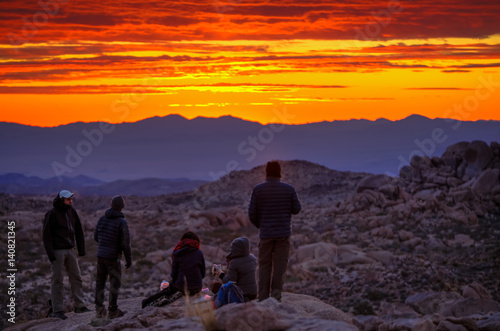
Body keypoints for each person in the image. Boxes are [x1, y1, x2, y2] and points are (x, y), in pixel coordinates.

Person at [248, 161, 301, 301]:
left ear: (266, 172)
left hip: (266, 235)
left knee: (264, 266)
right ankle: (276, 298)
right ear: (280, 172)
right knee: (280, 267)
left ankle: (264, 299)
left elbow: (252, 213)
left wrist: (262, 225)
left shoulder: (258, 189)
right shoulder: (289, 189)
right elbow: (297, 209)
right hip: (283, 235)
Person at [43, 190, 90, 320]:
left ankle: (80, 306)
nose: (71, 201)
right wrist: (51, 254)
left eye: (71, 199)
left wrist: (81, 250)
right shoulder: (52, 214)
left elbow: (79, 231)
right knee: (57, 280)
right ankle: (57, 310)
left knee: (76, 277)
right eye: (68, 199)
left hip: (70, 250)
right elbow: (46, 235)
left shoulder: (71, 212)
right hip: (58, 251)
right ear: (62, 200)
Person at [141, 231, 205, 308]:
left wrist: (174, 284)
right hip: (197, 287)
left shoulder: (177, 253)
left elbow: (174, 274)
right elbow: (203, 274)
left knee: (167, 291)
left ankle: (146, 302)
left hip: (182, 287)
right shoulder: (199, 253)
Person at [94, 195, 132, 319]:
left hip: (100, 255)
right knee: (114, 283)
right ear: (122, 206)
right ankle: (112, 310)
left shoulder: (102, 219)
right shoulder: (122, 222)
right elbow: (125, 244)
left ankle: (99, 310)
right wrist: (128, 259)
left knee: (100, 282)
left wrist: (104, 244)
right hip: (113, 257)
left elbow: (96, 237)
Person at [212, 237, 257, 302]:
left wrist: (220, 274)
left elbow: (230, 282)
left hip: (242, 294)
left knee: (216, 287)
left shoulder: (234, 263)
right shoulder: (253, 258)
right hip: (253, 293)